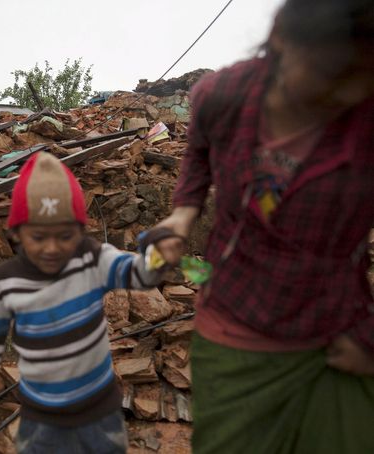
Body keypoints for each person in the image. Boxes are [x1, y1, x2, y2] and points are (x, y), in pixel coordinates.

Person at [154, 0, 374, 452]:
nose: (344, 95)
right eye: (328, 76)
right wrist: (183, 212)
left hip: (336, 338)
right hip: (235, 328)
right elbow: (199, 150)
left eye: (360, 79)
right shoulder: (224, 96)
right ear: (281, 41)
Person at [0, 152, 172, 453]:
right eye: (38, 236)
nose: (51, 248)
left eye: (65, 236)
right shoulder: (4, 283)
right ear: (16, 233)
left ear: (80, 230)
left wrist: (160, 251)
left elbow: (140, 275)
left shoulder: (92, 258)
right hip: (41, 420)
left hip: (100, 413)